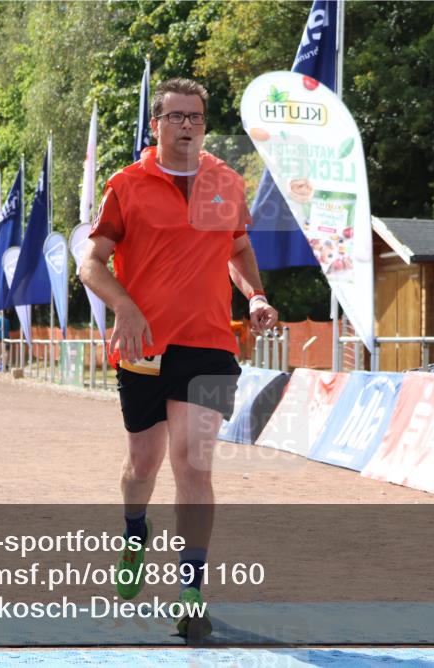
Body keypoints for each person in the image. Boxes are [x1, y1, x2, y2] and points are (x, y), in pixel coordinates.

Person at [79, 78, 278, 641]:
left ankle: (192, 592)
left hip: (211, 346)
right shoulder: (127, 185)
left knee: (194, 465)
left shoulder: (226, 183)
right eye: (176, 116)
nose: (187, 125)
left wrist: (255, 294)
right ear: (155, 125)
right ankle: (134, 530)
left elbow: (237, 249)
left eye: (196, 117)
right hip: (144, 347)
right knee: (143, 465)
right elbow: (90, 264)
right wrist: (124, 306)